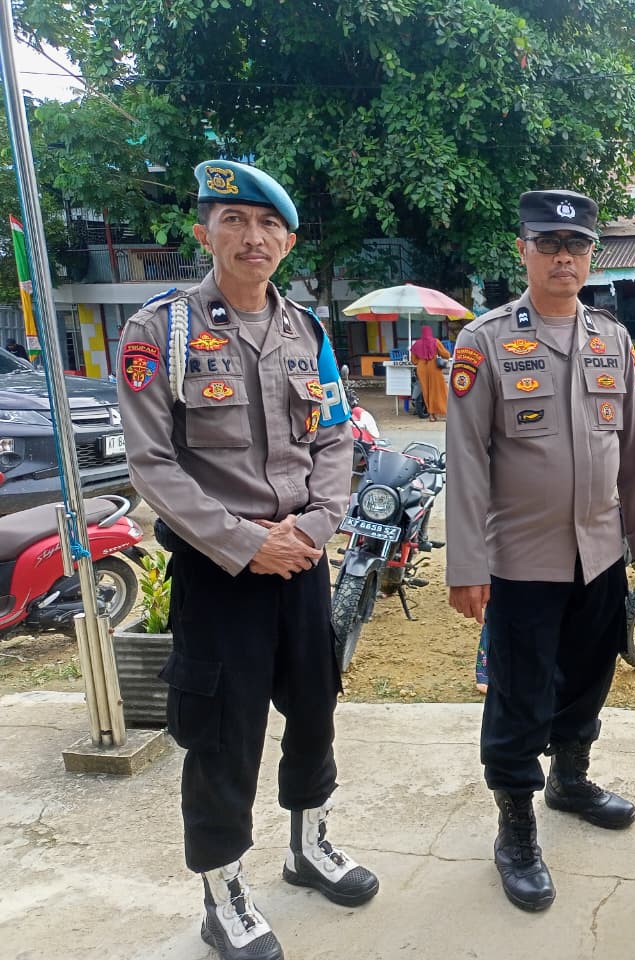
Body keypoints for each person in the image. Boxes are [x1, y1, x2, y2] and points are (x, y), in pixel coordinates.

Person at [117, 159, 379, 960]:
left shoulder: (308, 333)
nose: (252, 236)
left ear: (288, 242)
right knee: (224, 733)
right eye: (233, 220)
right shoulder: (160, 331)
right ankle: (223, 888)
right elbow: (151, 464)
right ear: (206, 233)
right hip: (218, 570)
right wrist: (244, 542)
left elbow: (335, 438)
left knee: (315, 707)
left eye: (268, 224)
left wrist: (317, 526)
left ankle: (310, 842)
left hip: (301, 560)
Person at [446, 189, 635, 912]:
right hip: (521, 560)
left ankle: (570, 780)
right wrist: (467, 565)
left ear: (590, 256)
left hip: (600, 553)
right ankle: (515, 824)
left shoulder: (612, 339)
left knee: (588, 677)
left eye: (575, 245)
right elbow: (467, 462)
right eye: (548, 243)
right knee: (518, 694)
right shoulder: (483, 342)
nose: (563, 257)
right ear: (524, 251)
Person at [411, 323, 451, 421]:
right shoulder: (435, 341)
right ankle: (443, 413)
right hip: (434, 368)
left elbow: (413, 360)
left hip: (422, 368)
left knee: (426, 391)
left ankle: (431, 415)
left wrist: (421, 360)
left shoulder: (416, 344)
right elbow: (446, 355)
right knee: (439, 390)